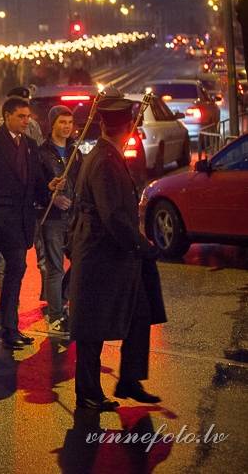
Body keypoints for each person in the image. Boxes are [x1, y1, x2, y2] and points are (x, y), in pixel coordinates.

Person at [69, 97, 165, 411]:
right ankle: (87, 394)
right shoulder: (105, 160)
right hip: (101, 255)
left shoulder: (105, 153)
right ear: (126, 128)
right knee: (92, 329)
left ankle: (130, 379)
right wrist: (140, 246)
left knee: (140, 312)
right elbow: (112, 215)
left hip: (114, 255)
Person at [0, 96, 62, 350]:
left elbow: (35, 184)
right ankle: (9, 329)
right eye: (21, 117)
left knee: (15, 273)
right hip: (2, 221)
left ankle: (10, 328)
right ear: (7, 116)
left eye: (28, 116)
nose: (27, 121)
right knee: (16, 268)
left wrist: (48, 188)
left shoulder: (30, 145)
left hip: (23, 220)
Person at [37, 105, 82, 335]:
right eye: (62, 122)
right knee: (55, 269)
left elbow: (81, 182)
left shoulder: (76, 151)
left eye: (69, 122)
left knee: (82, 261)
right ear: (52, 124)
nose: (67, 127)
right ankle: (55, 317)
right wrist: (51, 199)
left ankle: (63, 299)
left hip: (74, 218)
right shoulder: (42, 153)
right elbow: (35, 186)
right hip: (52, 219)